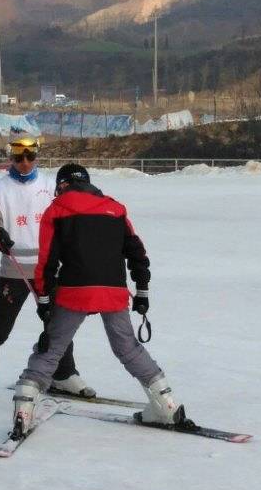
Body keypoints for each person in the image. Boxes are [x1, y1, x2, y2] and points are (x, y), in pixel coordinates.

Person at [11, 163, 191, 435]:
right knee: (128, 348)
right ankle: (166, 405)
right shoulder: (115, 208)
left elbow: (47, 261)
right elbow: (137, 253)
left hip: (74, 291)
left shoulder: (56, 210)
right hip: (113, 291)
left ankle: (23, 410)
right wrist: (142, 291)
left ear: (62, 185)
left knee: (52, 348)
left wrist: (44, 298)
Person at [0, 140, 94, 422]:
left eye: (30, 157)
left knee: (58, 326)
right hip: (14, 269)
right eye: (19, 158)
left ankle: (63, 374)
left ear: (37, 156)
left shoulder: (50, 184)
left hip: (48, 267)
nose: (25, 162)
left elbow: (66, 214)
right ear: (11, 158)